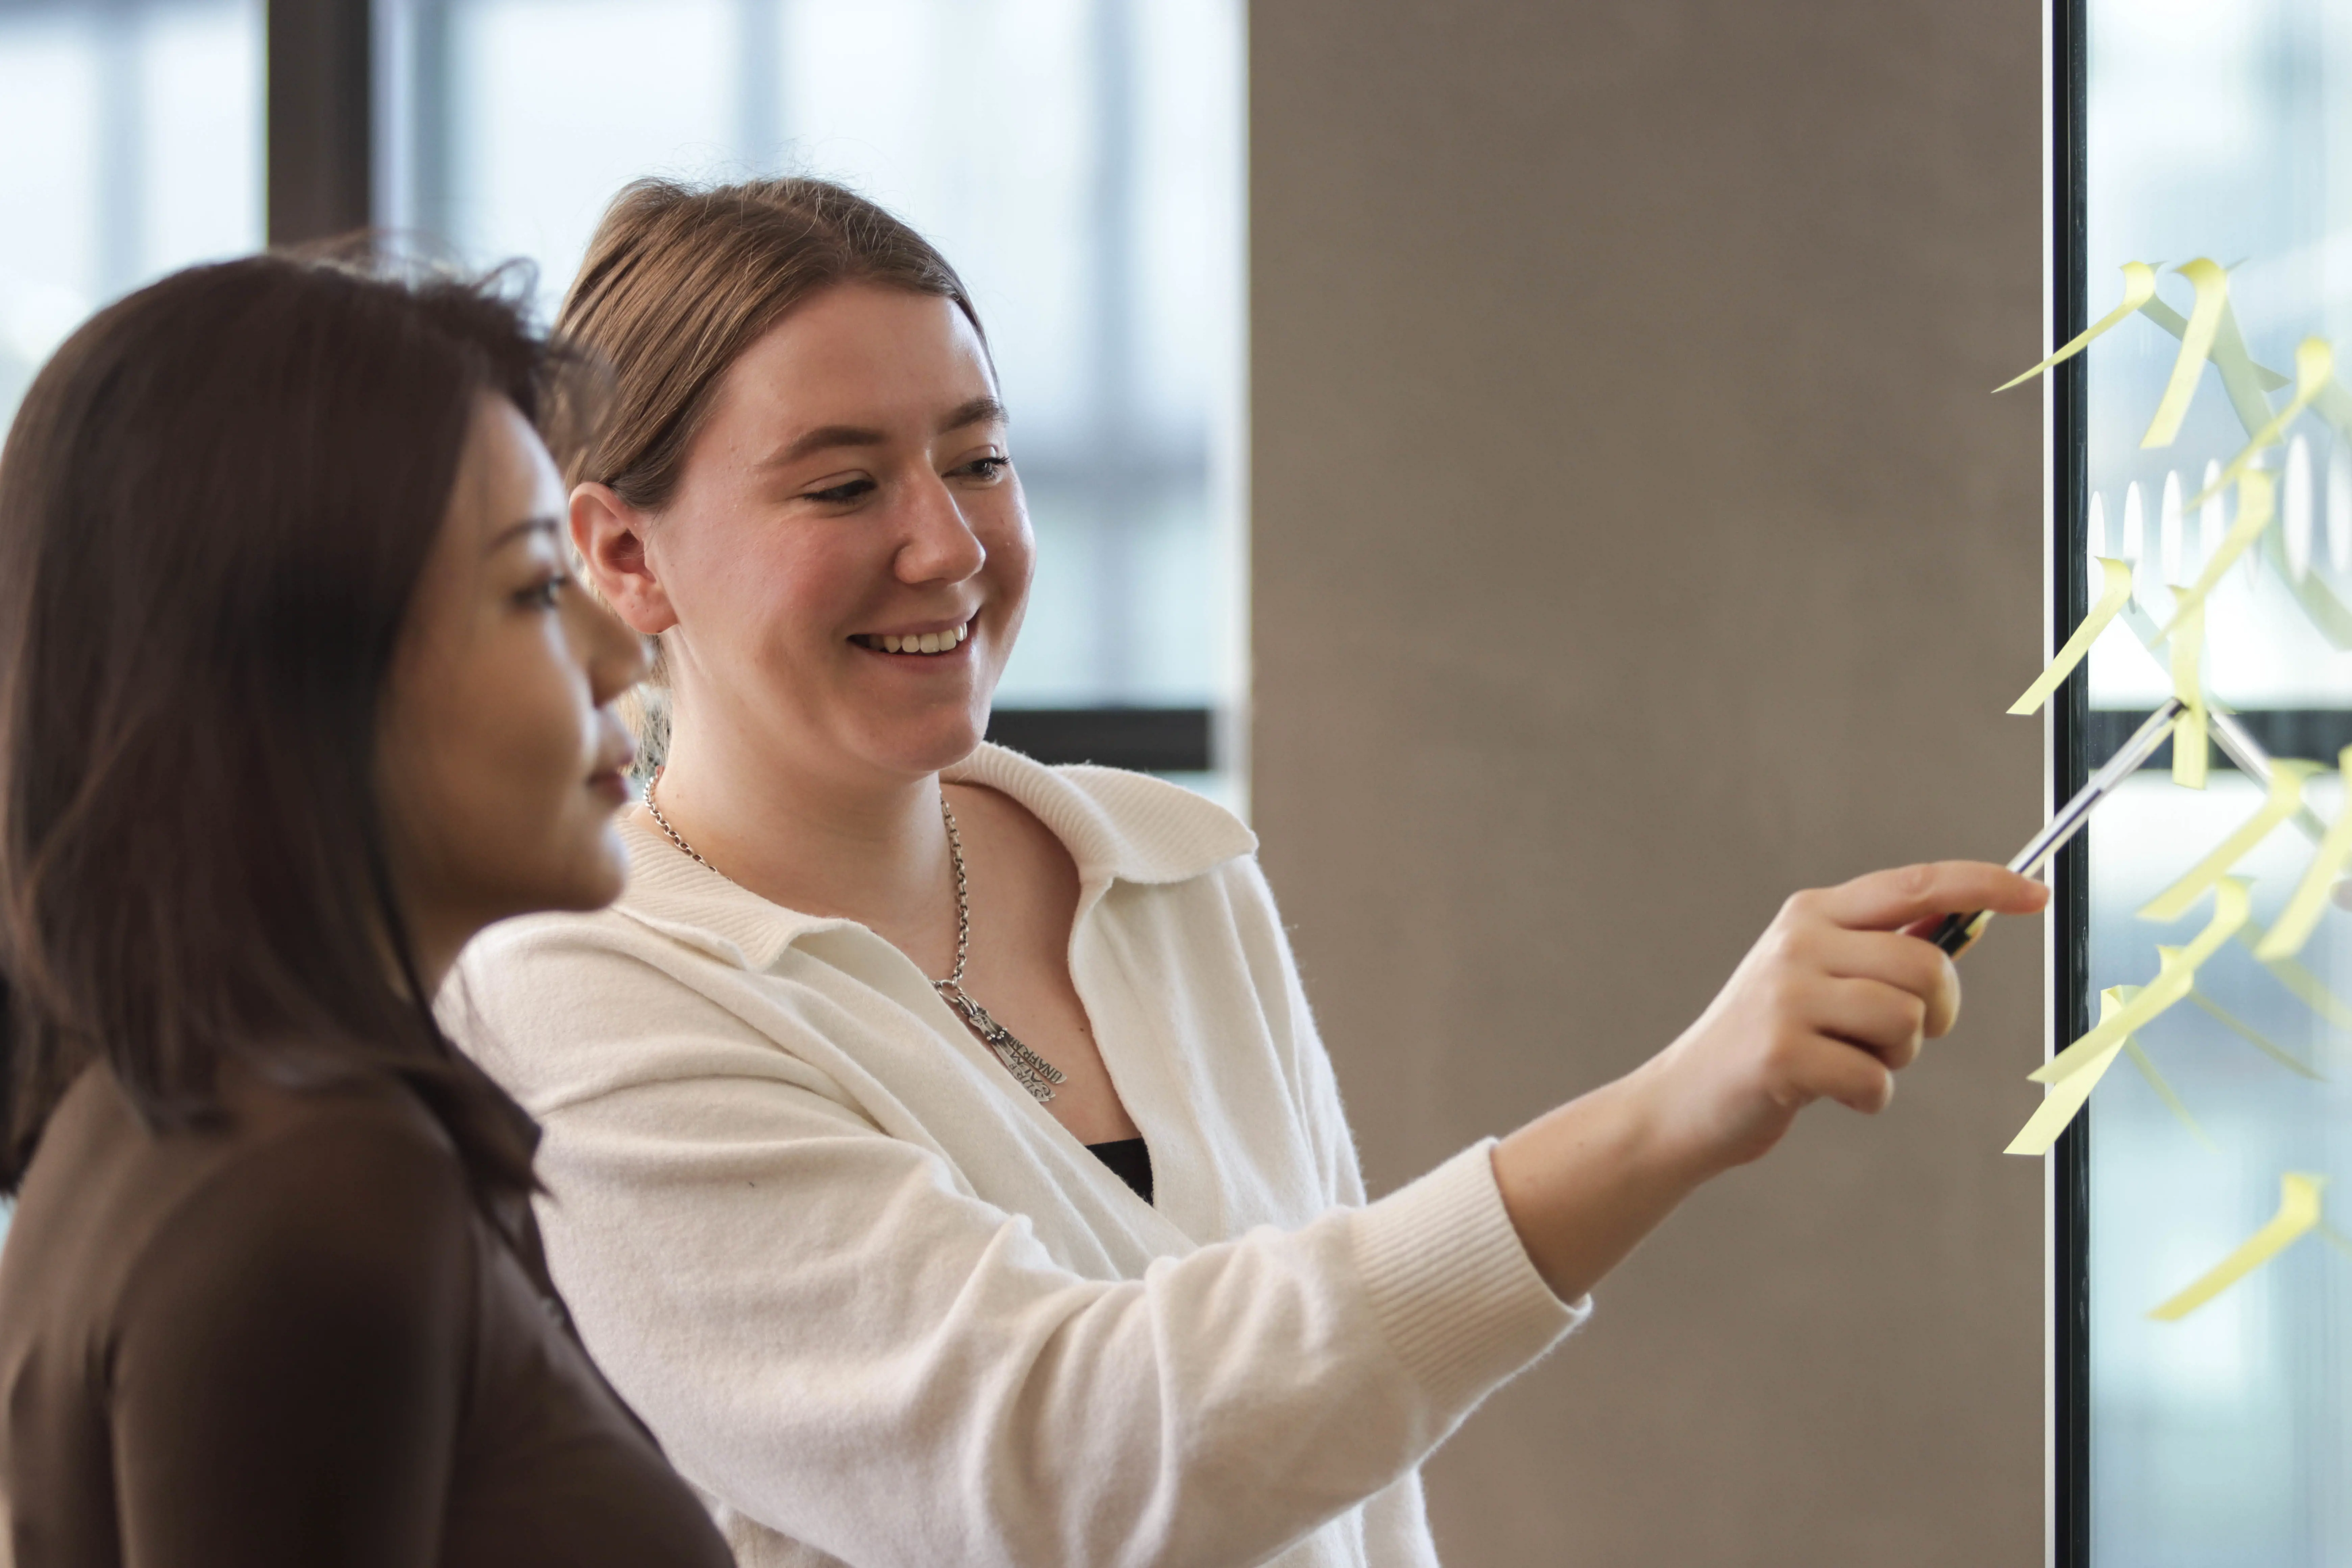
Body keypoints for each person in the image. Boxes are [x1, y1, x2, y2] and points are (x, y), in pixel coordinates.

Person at [444, 176, 2047, 1568]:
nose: (947, 545)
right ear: (623, 553)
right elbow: (1058, 1468)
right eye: (843, 483)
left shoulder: (1164, 867)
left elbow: (1350, 1491)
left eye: (979, 459)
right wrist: (1671, 1111)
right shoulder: (582, 993)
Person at [0, 254, 736, 1567]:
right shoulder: (323, 1181)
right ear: (290, 670)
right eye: (527, 589)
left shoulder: (158, 1108)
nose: (621, 649)